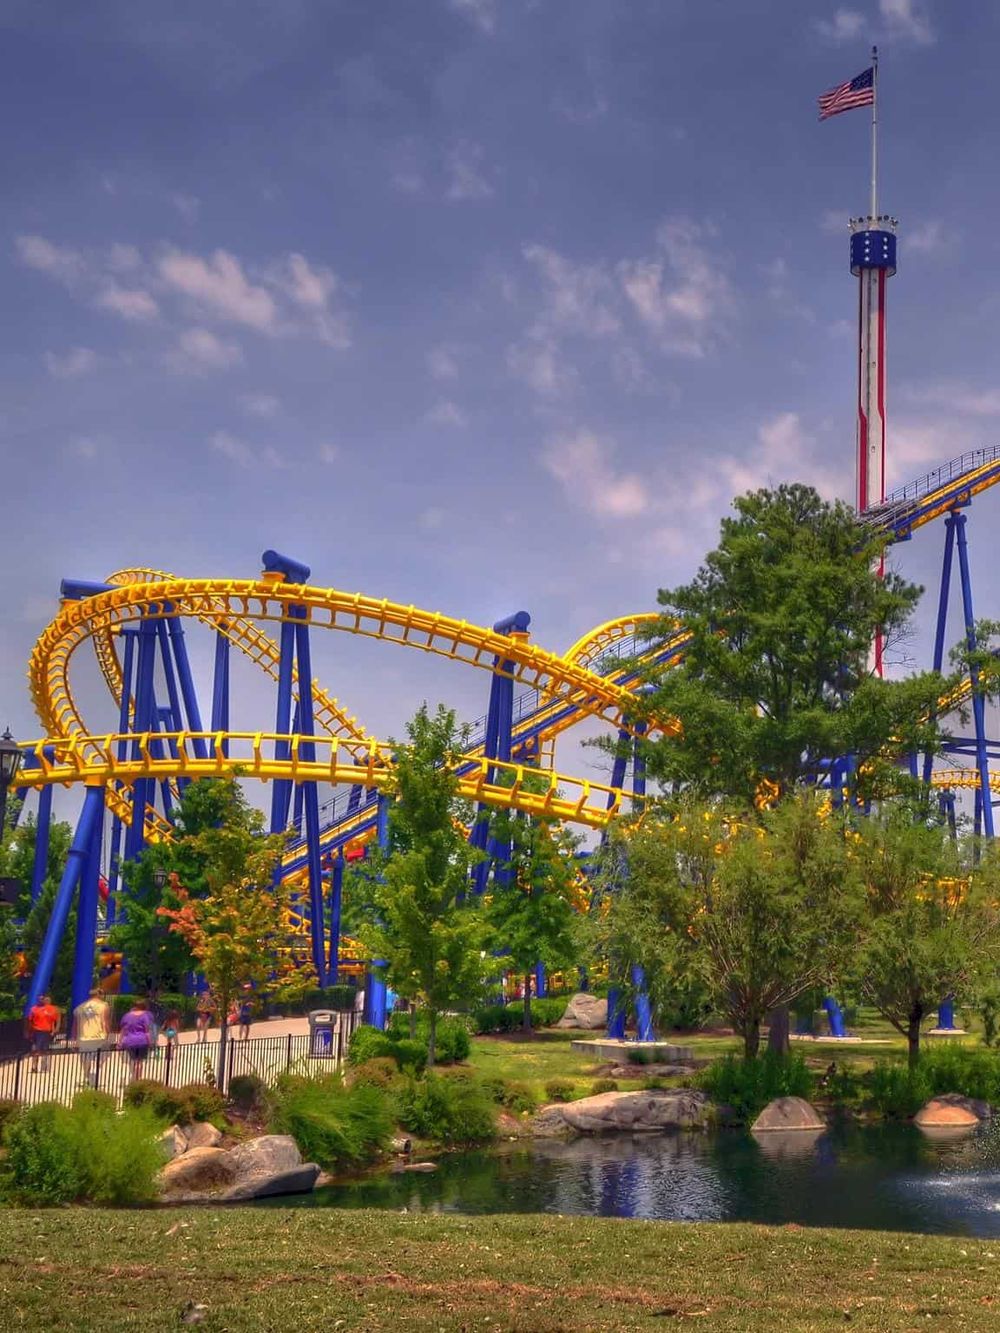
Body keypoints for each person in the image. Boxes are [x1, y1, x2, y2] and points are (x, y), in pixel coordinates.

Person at [72, 987, 110, 1087]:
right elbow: (105, 1022)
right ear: (99, 995)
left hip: (83, 1037)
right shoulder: (103, 1006)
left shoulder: (79, 1008)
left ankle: (86, 1077)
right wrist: (108, 1034)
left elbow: (75, 1026)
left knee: (85, 1058)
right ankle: (95, 1077)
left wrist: (74, 1039)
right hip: (99, 1036)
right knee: (100, 1057)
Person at [117, 998, 154, 1081]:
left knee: (134, 1061)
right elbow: (147, 1031)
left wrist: (119, 1042)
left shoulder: (127, 1015)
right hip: (142, 1041)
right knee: (139, 1062)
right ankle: (138, 1079)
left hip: (129, 1041)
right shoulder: (145, 1015)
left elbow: (123, 1030)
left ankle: (135, 1076)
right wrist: (150, 1042)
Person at [25, 993, 60, 1073]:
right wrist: (28, 1031)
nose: (41, 1000)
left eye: (42, 999)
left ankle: (44, 1067)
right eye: (39, 999)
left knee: (45, 1050)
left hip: (46, 1032)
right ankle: (34, 1067)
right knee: (35, 1049)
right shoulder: (34, 1009)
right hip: (36, 1031)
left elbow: (56, 1019)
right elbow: (29, 1021)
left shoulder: (51, 1009)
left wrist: (55, 1030)